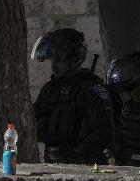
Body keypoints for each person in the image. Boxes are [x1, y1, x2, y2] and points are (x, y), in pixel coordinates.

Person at [31, 29, 115, 164]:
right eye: (53, 59)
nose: (54, 66)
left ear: (74, 59)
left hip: (86, 166)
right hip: (53, 163)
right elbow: (33, 120)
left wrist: (76, 155)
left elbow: (105, 132)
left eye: (59, 60)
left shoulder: (92, 88)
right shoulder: (50, 89)